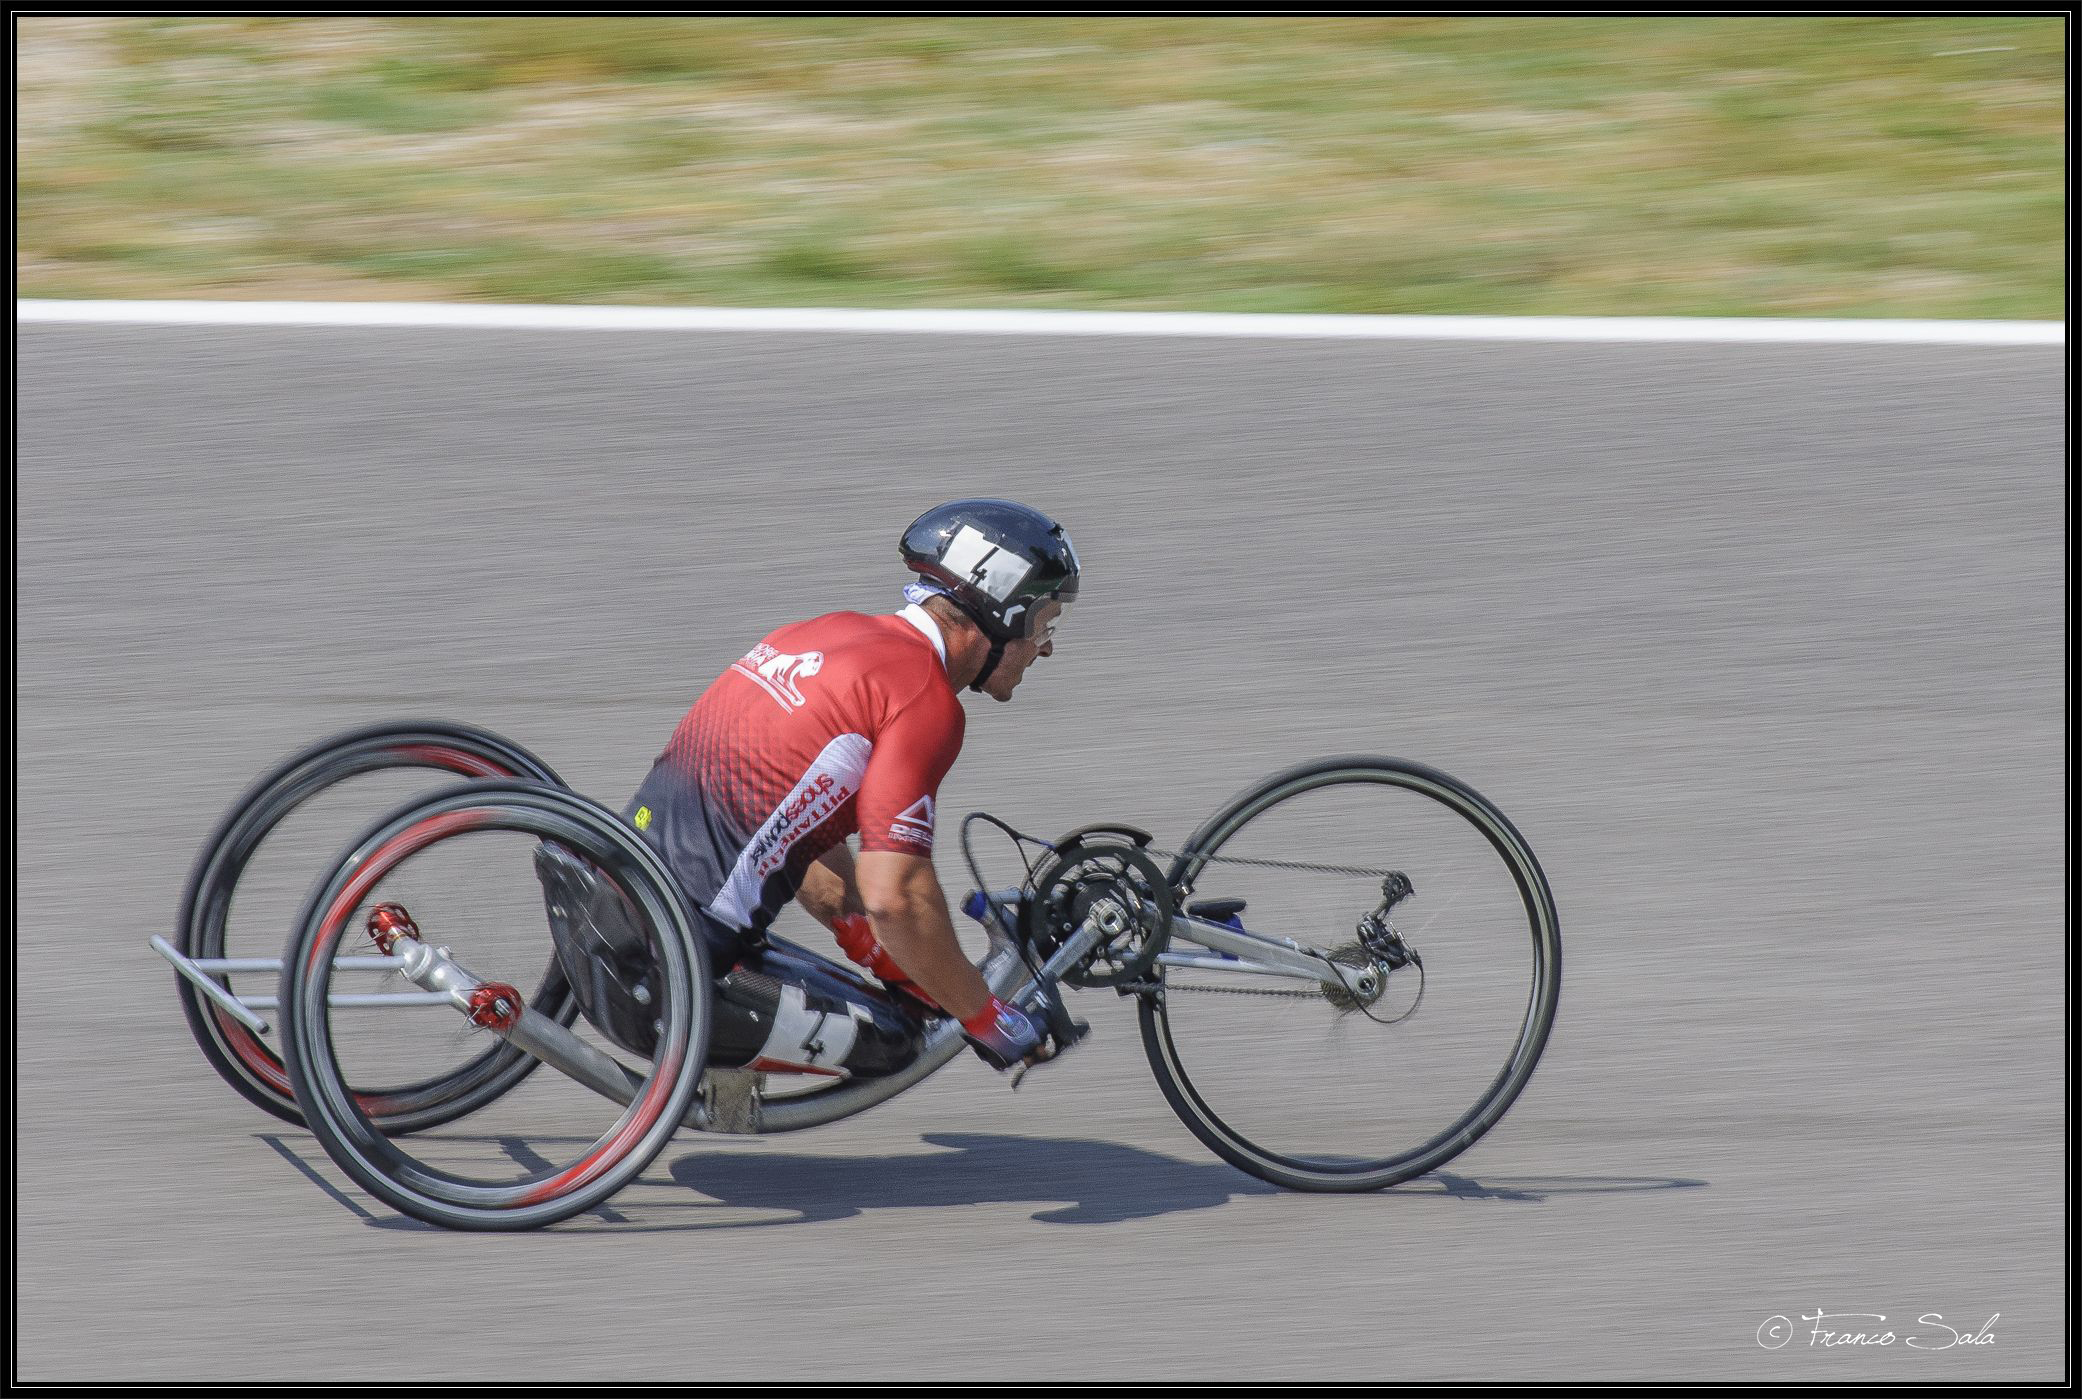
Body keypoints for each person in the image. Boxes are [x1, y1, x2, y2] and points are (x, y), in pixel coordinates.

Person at [619, 498, 1080, 1072]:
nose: (1048, 646)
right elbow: (896, 895)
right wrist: (985, 1017)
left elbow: (795, 836)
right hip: (675, 977)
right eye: (1042, 624)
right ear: (1000, 615)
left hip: (618, 897)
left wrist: (890, 959)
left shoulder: (827, 632)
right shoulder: (922, 700)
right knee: (896, 1040)